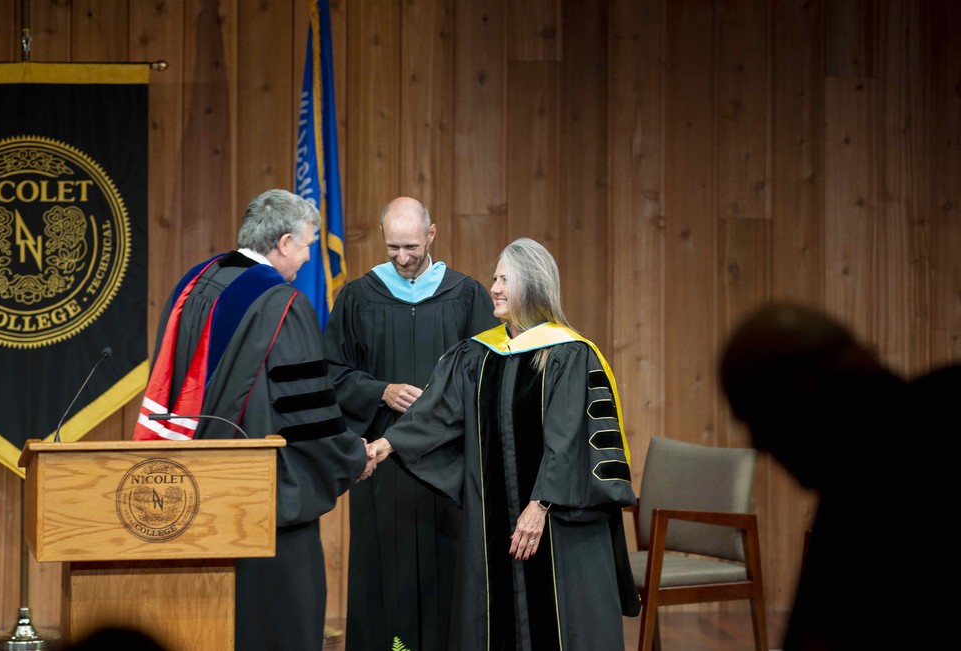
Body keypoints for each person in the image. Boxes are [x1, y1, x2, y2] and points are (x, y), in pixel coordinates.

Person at [368, 237, 641, 650]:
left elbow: (569, 437)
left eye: (504, 279)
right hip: (495, 523)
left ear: (531, 285)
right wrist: (386, 444)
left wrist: (541, 502)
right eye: (494, 277)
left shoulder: (569, 354)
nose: (493, 287)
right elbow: (438, 413)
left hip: (558, 523)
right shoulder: (478, 356)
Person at [133, 188, 375, 650]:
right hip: (260, 503)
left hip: (192, 489)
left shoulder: (198, 281)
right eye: (307, 244)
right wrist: (349, 455)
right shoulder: (281, 304)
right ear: (284, 243)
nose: (308, 257)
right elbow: (308, 414)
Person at [718, 302, 959, 650]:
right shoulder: (852, 486)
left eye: (758, 419)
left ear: (797, 392)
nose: (760, 446)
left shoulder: (864, 488)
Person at [323, 196, 496, 651]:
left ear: (432, 234)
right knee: (386, 569)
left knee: (448, 564)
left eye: (411, 247)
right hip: (384, 464)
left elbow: (487, 375)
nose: (401, 258)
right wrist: (379, 390)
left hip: (447, 464)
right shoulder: (360, 297)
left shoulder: (466, 295)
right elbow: (331, 372)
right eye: (393, 247)